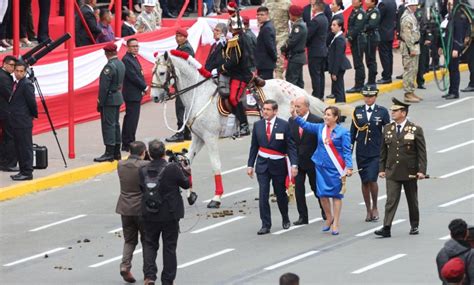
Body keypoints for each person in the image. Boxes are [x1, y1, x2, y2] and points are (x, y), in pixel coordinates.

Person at [291, 105, 353, 235]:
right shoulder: (320, 128)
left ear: (336, 117)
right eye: (325, 114)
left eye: (329, 115)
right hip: (320, 167)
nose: (325, 117)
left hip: (336, 168)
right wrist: (295, 116)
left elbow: (347, 151)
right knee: (322, 194)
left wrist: (349, 167)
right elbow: (306, 125)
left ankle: (335, 222)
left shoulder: (343, 132)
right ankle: (328, 216)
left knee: (336, 195)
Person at [375, 97, 427, 238]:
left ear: (403, 113)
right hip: (392, 171)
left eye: (395, 110)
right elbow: (382, 151)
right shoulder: (387, 129)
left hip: (409, 171)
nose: (392, 112)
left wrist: (421, 171)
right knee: (390, 200)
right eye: (392, 110)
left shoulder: (415, 129)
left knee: (412, 200)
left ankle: (414, 225)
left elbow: (422, 153)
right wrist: (381, 169)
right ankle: (386, 227)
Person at [141, 139, 191, 285]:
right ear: (164, 152)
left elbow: (141, 189)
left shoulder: (143, 170)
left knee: (149, 244)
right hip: (170, 213)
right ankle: (167, 279)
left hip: (150, 212)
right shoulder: (172, 168)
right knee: (169, 247)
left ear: (149, 153)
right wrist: (186, 169)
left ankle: (149, 276)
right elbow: (187, 184)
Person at [247, 99, 298, 235]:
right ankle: (265, 224)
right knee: (263, 195)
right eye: (264, 109)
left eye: (268, 109)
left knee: (280, 193)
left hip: (278, 165)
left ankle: (285, 217)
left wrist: (294, 164)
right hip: (262, 165)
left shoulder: (284, 125)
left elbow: (291, 146)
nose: (265, 112)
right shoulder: (258, 125)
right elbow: (254, 147)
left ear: (275, 111)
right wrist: (250, 165)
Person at [350, 85, 390, 222]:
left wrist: (388, 151)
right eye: (366, 96)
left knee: (372, 179)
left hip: (376, 152)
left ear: (376, 96)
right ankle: (367, 209)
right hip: (361, 151)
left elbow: (388, 132)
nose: (368, 98)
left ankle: (375, 207)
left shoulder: (382, 112)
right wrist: (348, 154)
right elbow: (352, 133)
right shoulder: (358, 111)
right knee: (364, 181)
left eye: (371, 96)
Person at [214, 15, 254, 138]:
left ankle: (244, 125)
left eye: (230, 25)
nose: (229, 27)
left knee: (233, 98)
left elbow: (234, 60)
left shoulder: (236, 40)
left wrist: (221, 68)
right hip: (240, 72)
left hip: (240, 74)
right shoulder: (240, 37)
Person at [116, 141, 150, 283]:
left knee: (129, 240)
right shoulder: (145, 165)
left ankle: (125, 266)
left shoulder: (120, 165)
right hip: (141, 208)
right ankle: (148, 274)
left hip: (125, 208)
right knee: (147, 241)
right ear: (143, 152)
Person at [288, 96, 326, 224]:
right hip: (298, 162)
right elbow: (291, 142)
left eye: (299, 107)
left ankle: (325, 210)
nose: (296, 109)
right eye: (295, 106)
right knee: (299, 190)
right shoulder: (292, 121)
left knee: (316, 188)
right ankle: (303, 216)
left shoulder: (316, 120)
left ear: (306, 107)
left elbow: (321, 142)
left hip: (313, 161)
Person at [94, 43, 126, 163]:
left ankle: (109, 152)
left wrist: (100, 102)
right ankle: (117, 151)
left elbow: (104, 88)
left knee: (108, 125)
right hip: (117, 96)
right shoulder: (120, 63)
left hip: (109, 99)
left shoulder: (109, 67)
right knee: (116, 124)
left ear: (107, 53)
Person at [9, 61, 38, 181]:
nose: (19, 73)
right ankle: (22, 170)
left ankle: (27, 172)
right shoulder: (17, 83)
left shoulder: (26, 84)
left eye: (22, 71)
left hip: (23, 121)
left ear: (25, 72)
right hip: (16, 121)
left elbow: (32, 103)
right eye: (17, 71)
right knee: (19, 147)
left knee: (25, 147)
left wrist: (30, 116)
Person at [165, 28, 194, 143]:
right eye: (176, 36)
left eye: (180, 36)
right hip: (184, 82)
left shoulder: (185, 48)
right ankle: (186, 132)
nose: (178, 38)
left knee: (180, 108)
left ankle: (180, 133)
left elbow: (182, 65)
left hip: (184, 82)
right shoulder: (182, 47)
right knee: (184, 107)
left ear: (185, 37)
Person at [121, 38, 148, 152]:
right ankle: (128, 143)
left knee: (132, 119)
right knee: (131, 119)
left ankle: (130, 140)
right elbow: (133, 76)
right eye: (133, 46)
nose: (136, 48)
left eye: (137, 46)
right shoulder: (127, 59)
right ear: (128, 47)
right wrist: (144, 86)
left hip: (135, 94)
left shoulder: (133, 58)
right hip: (131, 94)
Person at [442, 2, 470, 100]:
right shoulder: (449, 16)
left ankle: (454, 92)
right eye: (447, 5)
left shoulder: (458, 16)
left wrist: (456, 49)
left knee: (454, 70)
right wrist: (441, 47)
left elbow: (459, 34)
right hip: (447, 47)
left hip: (453, 47)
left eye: (451, 4)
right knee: (450, 69)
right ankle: (450, 90)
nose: (448, 6)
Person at [436, 219, 474, 284]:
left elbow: (442, 277)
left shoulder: (442, 253)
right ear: (467, 233)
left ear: (451, 234)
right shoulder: (470, 254)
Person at [399, 0, 421, 103]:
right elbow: (407, 35)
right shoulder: (407, 18)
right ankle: (407, 93)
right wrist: (411, 48)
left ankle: (411, 91)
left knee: (414, 70)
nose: (416, 7)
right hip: (409, 48)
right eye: (414, 5)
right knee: (409, 70)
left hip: (414, 46)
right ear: (410, 5)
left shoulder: (411, 15)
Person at [281, 5, 307, 89]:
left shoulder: (298, 26)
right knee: (299, 81)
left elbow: (292, 41)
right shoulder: (301, 24)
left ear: (293, 14)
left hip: (296, 57)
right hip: (298, 57)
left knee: (291, 81)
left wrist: (283, 48)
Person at [306, 1, 328, 100]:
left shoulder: (315, 20)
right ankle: (320, 95)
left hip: (315, 51)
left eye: (313, 6)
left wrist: (304, 43)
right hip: (322, 50)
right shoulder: (324, 18)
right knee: (321, 74)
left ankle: (316, 95)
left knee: (315, 75)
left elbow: (308, 35)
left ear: (316, 7)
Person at [264, 0, 291, 79]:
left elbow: (292, 19)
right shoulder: (267, 3)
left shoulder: (287, 3)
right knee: (268, 58)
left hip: (282, 35)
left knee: (279, 59)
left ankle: (278, 80)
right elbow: (262, 17)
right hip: (269, 35)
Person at [328, 18, 352, 103]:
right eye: (332, 25)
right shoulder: (336, 37)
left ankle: (341, 105)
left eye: (334, 25)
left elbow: (338, 57)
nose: (332, 27)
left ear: (340, 27)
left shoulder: (340, 39)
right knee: (338, 88)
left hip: (339, 67)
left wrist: (334, 72)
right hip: (337, 67)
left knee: (339, 89)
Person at [0, 55, 17, 172]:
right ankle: (8, 163)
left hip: (4, 111)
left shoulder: (4, 76)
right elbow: (10, 95)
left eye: (14, 66)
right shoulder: (4, 78)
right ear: (4, 64)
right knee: (10, 137)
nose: (13, 68)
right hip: (6, 112)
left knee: (7, 137)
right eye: (11, 65)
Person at [346, 0, 367, 93]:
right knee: (357, 62)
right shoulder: (354, 11)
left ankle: (359, 85)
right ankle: (358, 84)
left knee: (358, 62)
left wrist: (349, 37)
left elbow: (357, 28)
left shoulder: (360, 13)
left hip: (358, 40)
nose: (353, 2)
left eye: (355, 0)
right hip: (355, 40)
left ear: (360, 2)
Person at [376, 0, 397, 84]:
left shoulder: (383, 4)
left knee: (384, 56)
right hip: (390, 32)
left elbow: (378, 18)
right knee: (389, 55)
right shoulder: (393, 2)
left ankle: (386, 76)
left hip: (383, 33)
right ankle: (388, 74)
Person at [255, 6, 277, 80]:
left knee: (266, 86)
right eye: (258, 15)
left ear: (267, 15)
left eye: (262, 15)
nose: (259, 17)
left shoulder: (267, 28)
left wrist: (274, 57)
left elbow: (269, 46)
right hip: (264, 63)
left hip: (266, 64)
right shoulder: (265, 26)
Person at [364, 0, 381, 87]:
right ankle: (371, 78)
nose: (366, 1)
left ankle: (371, 80)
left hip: (372, 37)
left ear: (373, 2)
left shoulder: (375, 12)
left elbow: (371, 25)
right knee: (368, 59)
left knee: (371, 59)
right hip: (368, 37)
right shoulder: (368, 11)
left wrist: (361, 27)